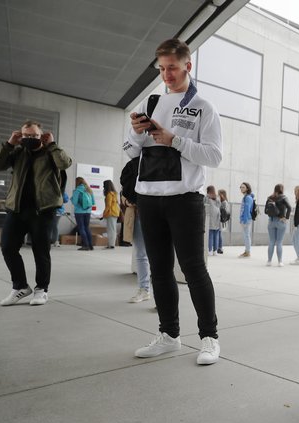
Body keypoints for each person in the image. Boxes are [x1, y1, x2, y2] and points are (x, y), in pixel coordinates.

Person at [123, 38, 223, 365]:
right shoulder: (150, 102)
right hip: (149, 198)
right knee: (159, 270)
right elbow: (130, 152)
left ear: (187, 66)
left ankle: (209, 338)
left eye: (173, 68)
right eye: (162, 68)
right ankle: (169, 335)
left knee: (194, 269)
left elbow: (214, 155)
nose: (166, 74)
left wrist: (174, 139)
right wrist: (138, 131)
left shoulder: (203, 107)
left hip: (185, 199)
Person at [0, 120, 72, 306]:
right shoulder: (17, 152)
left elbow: (65, 163)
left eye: (34, 135)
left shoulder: (50, 153)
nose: (30, 139)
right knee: (7, 247)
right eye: (27, 136)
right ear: (21, 136)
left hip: (43, 210)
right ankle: (20, 286)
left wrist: (52, 144)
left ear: (42, 135)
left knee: (41, 251)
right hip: (17, 208)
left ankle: (41, 290)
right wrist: (9, 144)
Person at [122, 195, 152, 303]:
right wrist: (130, 201)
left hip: (155, 215)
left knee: (158, 255)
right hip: (137, 217)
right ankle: (144, 289)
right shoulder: (131, 178)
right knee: (140, 254)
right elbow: (124, 196)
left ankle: (162, 294)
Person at [265, 184, 292, 267]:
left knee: (272, 241)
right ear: (282, 189)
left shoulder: (270, 198)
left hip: (271, 221)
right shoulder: (283, 197)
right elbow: (290, 208)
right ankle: (280, 262)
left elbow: (265, 211)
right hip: (280, 221)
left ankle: (269, 261)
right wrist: (286, 218)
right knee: (279, 242)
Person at [71, 177, 95, 251]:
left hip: (79, 212)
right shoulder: (89, 190)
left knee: (81, 228)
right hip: (88, 212)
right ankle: (90, 245)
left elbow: (74, 202)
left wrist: (72, 198)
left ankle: (85, 245)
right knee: (87, 227)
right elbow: (93, 202)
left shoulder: (77, 191)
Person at [102, 180, 120, 249]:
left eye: (104, 185)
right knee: (113, 229)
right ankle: (111, 244)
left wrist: (104, 214)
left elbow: (108, 206)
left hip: (111, 213)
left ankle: (111, 244)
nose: (103, 186)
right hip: (115, 212)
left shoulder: (109, 194)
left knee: (111, 229)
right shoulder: (114, 193)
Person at [239, 182, 254, 258]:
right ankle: (247, 251)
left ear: (247, 188)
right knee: (246, 235)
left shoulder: (247, 197)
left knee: (246, 236)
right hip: (245, 219)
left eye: (243, 187)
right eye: (241, 187)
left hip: (246, 219)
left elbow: (247, 210)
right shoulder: (246, 197)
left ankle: (247, 252)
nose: (241, 188)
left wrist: (244, 220)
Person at [205, 185, 221, 256]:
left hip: (211, 218)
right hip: (217, 218)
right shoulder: (217, 197)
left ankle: (210, 250)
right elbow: (219, 206)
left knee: (210, 235)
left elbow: (204, 205)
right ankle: (215, 251)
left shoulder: (207, 197)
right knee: (216, 235)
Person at [217, 189, 230, 254]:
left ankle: (220, 248)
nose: (218, 195)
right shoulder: (224, 201)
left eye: (219, 193)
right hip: (221, 220)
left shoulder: (224, 202)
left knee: (219, 234)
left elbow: (224, 212)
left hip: (221, 220)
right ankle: (219, 247)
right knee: (219, 234)